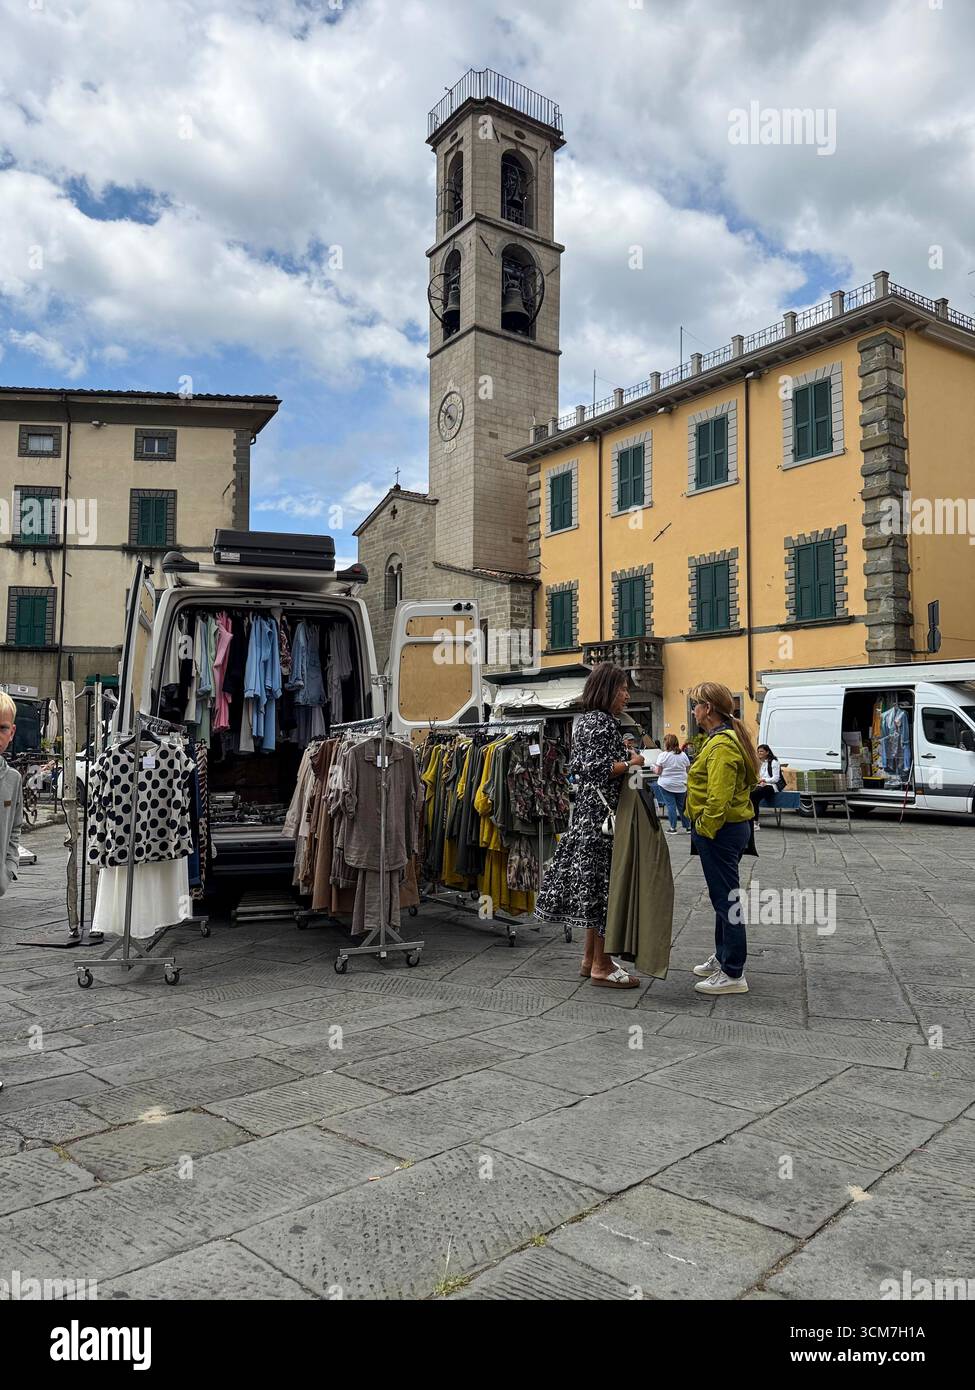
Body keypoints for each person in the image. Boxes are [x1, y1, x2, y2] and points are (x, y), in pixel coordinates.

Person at [534, 662, 644, 988]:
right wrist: (632, 762)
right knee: (603, 892)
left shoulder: (585, 722)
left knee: (594, 891)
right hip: (601, 822)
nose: (626, 695)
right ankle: (603, 965)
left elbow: (583, 768)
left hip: (587, 817)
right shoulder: (603, 723)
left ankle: (589, 959)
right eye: (622, 689)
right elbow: (596, 771)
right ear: (608, 690)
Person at [685, 681, 759, 996]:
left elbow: (719, 797)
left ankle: (733, 973)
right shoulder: (725, 739)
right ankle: (724, 955)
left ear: (708, 709)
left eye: (695, 705)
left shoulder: (721, 745)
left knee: (726, 900)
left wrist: (704, 827)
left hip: (721, 831)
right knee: (722, 898)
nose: (693, 711)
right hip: (730, 829)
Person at [0, 693, 23, 902]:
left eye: (2, 728)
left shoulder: (13, 779)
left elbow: (15, 827)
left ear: (12, 732)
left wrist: (7, 870)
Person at [643, 734, 690, 833]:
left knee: (671, 805)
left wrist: (652, 768)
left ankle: (673, 828)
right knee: (682, 806)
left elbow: (658, 772)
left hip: (666, 785)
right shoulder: (683, 755)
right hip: (681, 785)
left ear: (667, 743)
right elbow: (687, 770)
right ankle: (688, 827)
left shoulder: (663, 755)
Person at [750, 744, 781, 828]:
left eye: (761, 751)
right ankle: (753, 821)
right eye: (758, 751)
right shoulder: (761, 763)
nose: (759, 753)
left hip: (771, 786)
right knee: (751, 794)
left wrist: (764, 780)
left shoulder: (774, 762)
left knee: (754, 795)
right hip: (762, 785)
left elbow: (776, 778)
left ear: (767, 752)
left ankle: (755, 822)